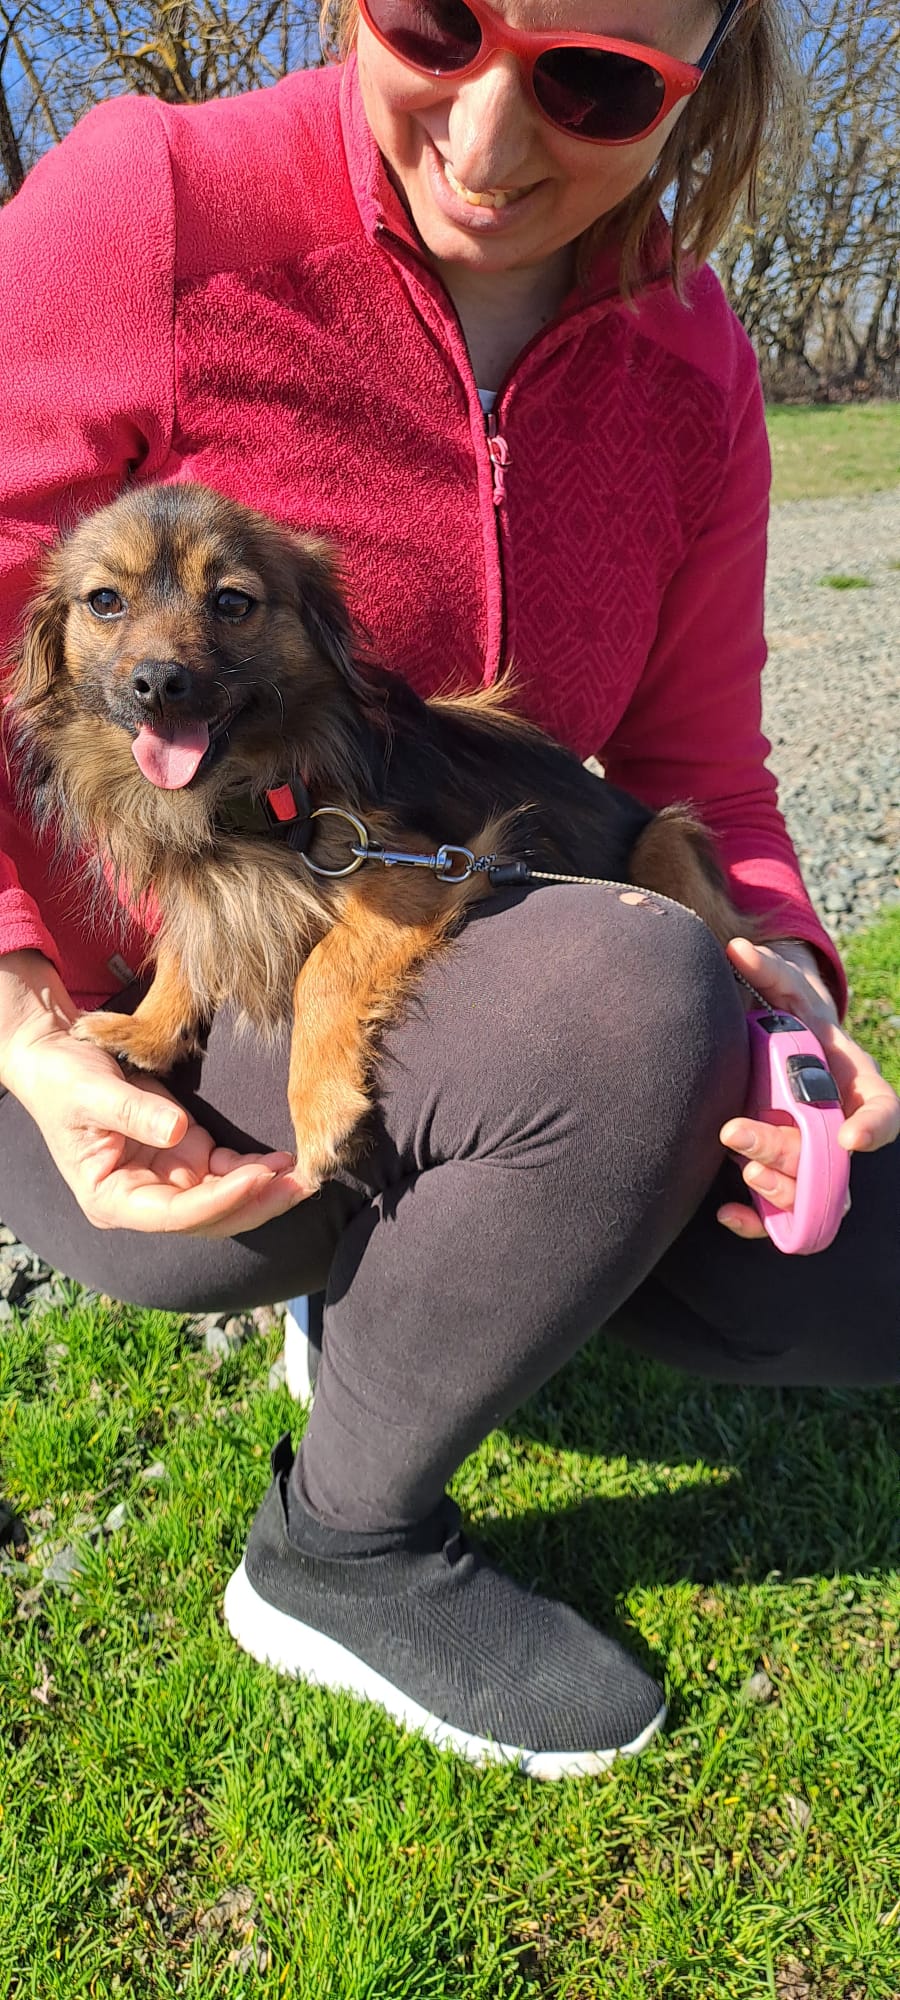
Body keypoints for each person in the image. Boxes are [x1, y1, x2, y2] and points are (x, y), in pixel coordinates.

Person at [0, 0, 897, 1780]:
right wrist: (27, 1011)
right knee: (626, 1004)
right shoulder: (152, 207)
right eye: (431, 24)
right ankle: (342, 1545)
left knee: (864, 1281)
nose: (484, 147)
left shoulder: (696, 356)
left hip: (498, 934)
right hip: (132, 1029)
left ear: (698, 83)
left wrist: (787, 979)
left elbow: (704, 774)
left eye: (592, 82)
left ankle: (472, 1247)